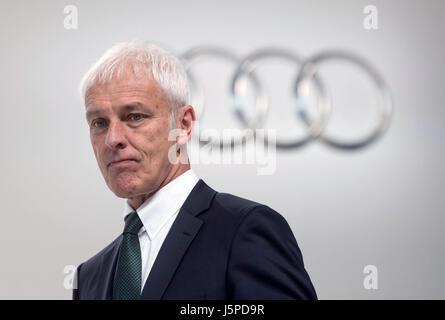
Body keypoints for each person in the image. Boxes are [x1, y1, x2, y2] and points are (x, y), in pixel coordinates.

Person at [73, 41, 317, 300]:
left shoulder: (245, 230)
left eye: (135, 116)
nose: (112, 139)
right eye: (99, 123)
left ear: (184, 124)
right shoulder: (89, 276)